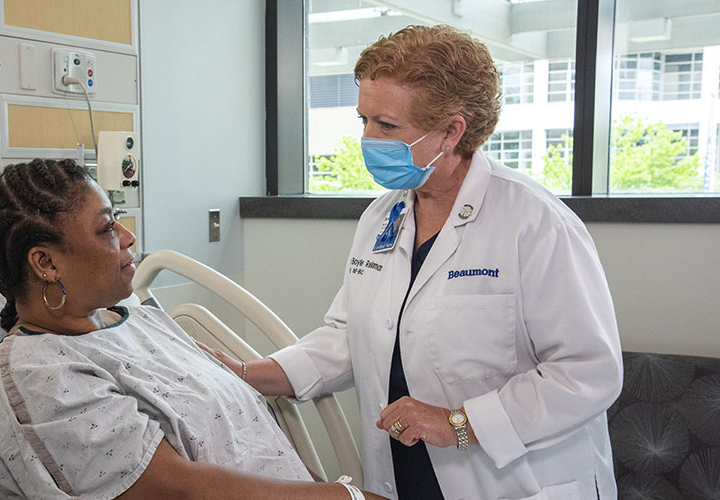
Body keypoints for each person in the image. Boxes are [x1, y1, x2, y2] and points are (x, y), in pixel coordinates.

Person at [206, 25, 623, 500]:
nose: (366, 139)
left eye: (386, 126)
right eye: (362, 119)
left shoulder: (535, 223)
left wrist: (459, 424)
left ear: (452, 130)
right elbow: (348, 337)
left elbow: (589, 372)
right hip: (405, 473)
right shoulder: (384, 215)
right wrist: (247, 374)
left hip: (513, 481)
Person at [0, 158, 387, 500]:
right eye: (107, 226)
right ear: (46, 263)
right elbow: (182, 490)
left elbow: (257, 443)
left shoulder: (143, 321)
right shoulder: (38, 377)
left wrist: (323, 488)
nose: (128, 237)